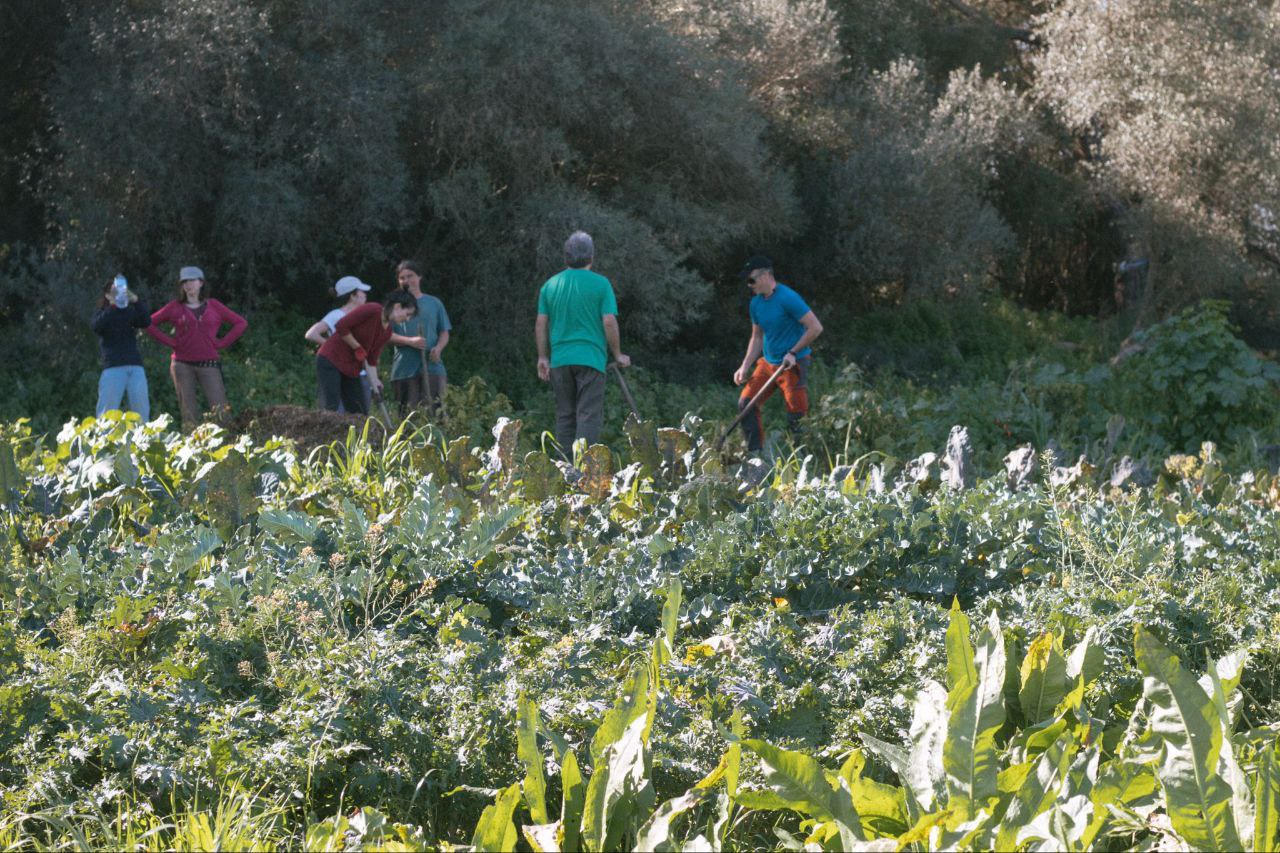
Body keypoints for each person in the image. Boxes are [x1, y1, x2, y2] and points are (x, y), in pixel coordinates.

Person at [535, 230, 629, 458]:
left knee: (565, 415)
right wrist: (617, 354)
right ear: (591, 257)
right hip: (591, 360)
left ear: (566, 257)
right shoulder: (600, 284)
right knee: (588, 416)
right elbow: (608, 321)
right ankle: (584, 474)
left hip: (560, 361)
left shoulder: (550, 285)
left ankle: (564, 471)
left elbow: (540, 324)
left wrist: (542, 357)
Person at [732, 255, 823, 452]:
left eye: (752, 279)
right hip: (768, 364)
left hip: (793, 363)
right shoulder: (755, 304)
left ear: (765, 275)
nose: (749, 285)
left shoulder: (788, 298)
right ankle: (755, 456)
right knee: (746, 403)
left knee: (796, 415)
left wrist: (792, 352)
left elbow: (815, 328)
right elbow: (757, 337)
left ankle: (802, 457)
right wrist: (745, 365)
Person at [146, 266, 248, 426]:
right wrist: (171, 342)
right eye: (184, 281)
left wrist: (221, 343)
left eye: (192, 280)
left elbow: (241, 323)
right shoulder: (175, 307)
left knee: (222, 412)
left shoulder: (214, 305)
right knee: (189, 413)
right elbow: (147, 323)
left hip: (209, 364)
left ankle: (228, 446)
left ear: (201, 283)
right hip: (182, 365)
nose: (188, 284)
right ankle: (191, 448)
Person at [316, 289, 417, 414]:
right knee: (331, 405)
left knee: (359, 411)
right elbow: (341, 326)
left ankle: (353, 433)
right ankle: (324, 432)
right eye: (407, 314)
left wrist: (375, 382)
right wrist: (357, 347)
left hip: (351, 368)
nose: (407, 319)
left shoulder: (387, 332)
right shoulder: (373, 309)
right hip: (331, 359)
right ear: (397, 307)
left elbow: (371, 360)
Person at [388, 260, 451, 415]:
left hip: (433, 366)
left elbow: (444, 332)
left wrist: (438, 348)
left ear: (419, 277)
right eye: (402, 278)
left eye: (410, 276)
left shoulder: (434, 303)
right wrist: (410, 341)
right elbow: (385, 335)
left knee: (438, 415)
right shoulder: (394, 305)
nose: (406, 280)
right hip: (405, 369)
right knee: (409, 419)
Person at [304, 275, 373, 413]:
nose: (365, 295)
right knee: (335, 411)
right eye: (361, 292)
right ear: (353, 296)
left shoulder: (363, 317)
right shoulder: (336, 315)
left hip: (358, 371)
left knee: (360, 412)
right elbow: (311, 334)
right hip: (337, 368)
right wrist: (332, 347)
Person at [92, 274, 152, 421]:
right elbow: (96, 326)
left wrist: (136, 300)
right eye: (114, 290)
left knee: (141, 412)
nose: (118, 293)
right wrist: (113, 305)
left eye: (120, 289)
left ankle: (143, 442)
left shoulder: (129, 312)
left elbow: (146, 321)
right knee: (107, 414)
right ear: (107, 295)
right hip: (113, 368)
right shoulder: (103, 313)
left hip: (135, 367)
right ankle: (103, 442)